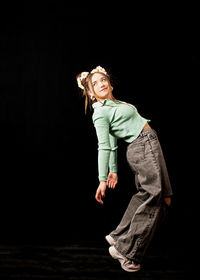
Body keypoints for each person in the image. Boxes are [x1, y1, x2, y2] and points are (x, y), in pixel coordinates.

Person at [76, 66, 173, 272]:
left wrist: (114, 170)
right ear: (91, 93)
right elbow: (104, 146)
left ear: (110, 82)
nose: (101, 83)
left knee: (163, 197)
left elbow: (113, 142)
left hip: (149, 144)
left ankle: (119, 236)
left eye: (103, 80)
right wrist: (103, 179)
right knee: (154, 195)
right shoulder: (100, 113)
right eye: (95, 83)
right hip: (142, 146)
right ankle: (126, 250)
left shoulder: (114, 105)